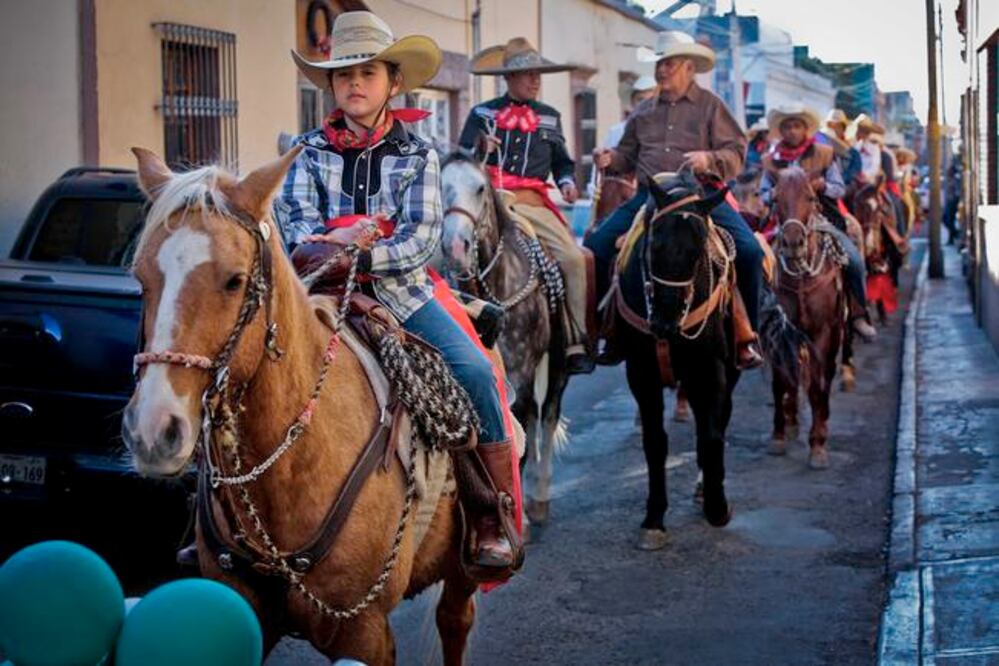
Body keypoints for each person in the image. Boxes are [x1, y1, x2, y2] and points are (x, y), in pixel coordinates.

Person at [277, 11, 517, 569]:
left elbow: (420, 239)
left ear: (394, 81)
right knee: (236, 362)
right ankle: (213, 513)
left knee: (475, 371)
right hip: (315, 293)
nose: (354, 84)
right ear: (331, 85)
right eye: (343, 74)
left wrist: (355, 250)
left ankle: (490, 512)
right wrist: (335, 247)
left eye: (367, 73)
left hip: (403, 297)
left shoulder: (419, 155)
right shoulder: (306, 150)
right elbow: (295, 226)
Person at [588, 30, 764, 369]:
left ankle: (746, 336)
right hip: (649, 196)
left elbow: (736, 152)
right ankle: (607, 332)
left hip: (699, 198)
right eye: (660, 63)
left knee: (751, 252)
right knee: (595, 247)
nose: (661, 70)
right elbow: (627, 156)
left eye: (669, 63)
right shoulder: (643, 112)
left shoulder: (711, 105)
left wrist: (709, 159)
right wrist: (611, 158)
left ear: (689, 68)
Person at [457, 38, 594, 375]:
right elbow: (461, 160)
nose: (535, 80)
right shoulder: (482, 114)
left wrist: (566, 181)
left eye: (538, 74)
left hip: (532, 202)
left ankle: (575, 339)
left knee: (574, 259)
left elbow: (562, 162)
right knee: (454, 252)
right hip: (490, 200)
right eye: (528, 74)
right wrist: (480, 149)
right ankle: (456, 325)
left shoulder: (550, 117)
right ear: (509, 77)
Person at [759, 105, 877, 342]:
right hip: (783, 223)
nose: (792, 131)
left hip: (821, 220)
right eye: (787, 127)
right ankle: (758, 320)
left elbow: (839, 189)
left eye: (797, 126)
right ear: (781, 131)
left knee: (854, 259)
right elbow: (763, 193)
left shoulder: (824, 153)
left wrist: (824, 186)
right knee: (755, 261)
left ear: (805, 129)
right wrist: (775, 193)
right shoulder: (770, 160)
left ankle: (858, 314)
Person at [816, 109, 862, 187]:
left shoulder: (853, 153)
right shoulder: (818, 147)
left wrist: (836, 181)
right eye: (830, 126)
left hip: (842, 186)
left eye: (837, 126)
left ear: (843, 129)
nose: (833, 129)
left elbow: (852, 173)